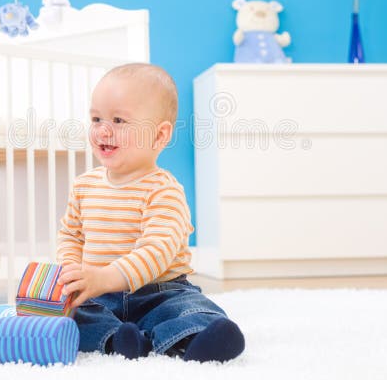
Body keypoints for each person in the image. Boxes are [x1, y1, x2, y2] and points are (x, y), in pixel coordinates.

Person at [56, 63, 245, 362]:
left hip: (158, 291)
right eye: (96, 118)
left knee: (193, 309)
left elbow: (157, 251)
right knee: (75, 318)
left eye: (118, 120)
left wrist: (106, 276)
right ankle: (119, 341)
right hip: (100, 296)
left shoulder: (163, 190)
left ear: (159, 136)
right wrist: (72, 272)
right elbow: (71, 235)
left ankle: (186, 339)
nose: (103, 129)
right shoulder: (84, 186)